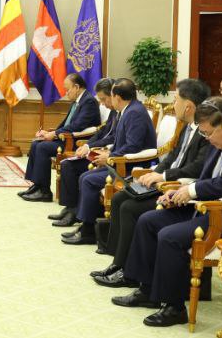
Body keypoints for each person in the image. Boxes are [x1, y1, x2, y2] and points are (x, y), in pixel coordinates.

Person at [114, 96, 222, 327]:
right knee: (148, 220)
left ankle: (174, 308)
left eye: (208, 133)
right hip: (209, 206)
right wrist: (179, 193)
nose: (206, 138)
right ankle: (148, 290)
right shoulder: (218, 140)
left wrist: (193, 191)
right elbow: (207, 178)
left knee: (170, 237)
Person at [92, 78, 212, 287]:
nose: (173, 104)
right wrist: (153, 174)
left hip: (177, 187)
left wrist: (163, 177)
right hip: (166, 181)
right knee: (120, 198)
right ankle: (118, 263)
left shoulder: (205, 131)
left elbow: (197, 167)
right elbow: (171, 156)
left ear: (188, 106)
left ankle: (129, 273)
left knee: (129, 207)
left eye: (176, 99)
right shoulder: (187, 126)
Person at [56, 79, 156, 244]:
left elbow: (133, 146)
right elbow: (121, 142)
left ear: (117, 97)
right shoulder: (128, 110)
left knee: (88, 180)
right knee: (85, 176)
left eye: (110, 95)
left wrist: (109, 157)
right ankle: (87, 225)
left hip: (131, 168)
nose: (106, 101)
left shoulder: (134, 113)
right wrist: (108, 153)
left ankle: (88, 231)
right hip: (119, 161)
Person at [19, 73, 100, 202]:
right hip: (65, 138)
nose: (66, 93)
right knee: (36, 144)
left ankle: (45, 191)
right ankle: (37, 185)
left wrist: (54, 134)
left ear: (76, 87)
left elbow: (77, 126)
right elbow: (67, 124)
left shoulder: (89, 102)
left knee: (43, 148)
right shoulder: (77, 102)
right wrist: (49, 133)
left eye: (67, 90)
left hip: (74, 142)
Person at [48, 78, 116, 225]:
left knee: (71, 167)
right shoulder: (114, 112)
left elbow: (112, 138)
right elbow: (102, 131)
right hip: (99, 150)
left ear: (113, 95)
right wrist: (88, 145)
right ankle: (70, 208)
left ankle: (75, 213)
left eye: (103, 99)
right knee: (67, 164)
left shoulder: (122, 112)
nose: (102, 104)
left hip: (107, 155)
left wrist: (90, 148)